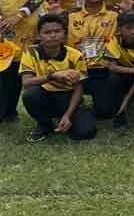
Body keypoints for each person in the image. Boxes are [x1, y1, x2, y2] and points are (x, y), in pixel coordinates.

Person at [19, 13, 97, 142]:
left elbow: (79, 89)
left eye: (57, 31)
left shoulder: (75, 55)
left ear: (64, 34)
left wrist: (67, 115)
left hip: (68, 97)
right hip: (44, 95)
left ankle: (69, 117)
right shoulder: (31, 52)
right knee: (30, 94)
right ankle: (44, 125)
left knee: (85, 132)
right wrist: (52, 76)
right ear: (39, 35)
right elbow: (26, 83)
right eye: (47, 32)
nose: (53, 35)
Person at [0, 0, 48, 122]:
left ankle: (10, 110)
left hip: (25, 22)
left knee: (18, 69)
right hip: (1, 22)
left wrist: (18, 15)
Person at [66, 0, 121, 120]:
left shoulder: (115, 14)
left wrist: (129, 10)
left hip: (102, 70)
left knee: (105, 113)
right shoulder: (70, 16)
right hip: (75, 70)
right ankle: (75, 102)